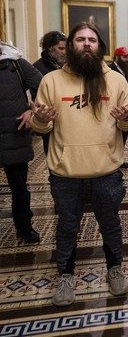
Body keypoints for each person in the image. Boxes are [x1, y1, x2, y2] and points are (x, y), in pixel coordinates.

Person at [30, 21, 128, 307]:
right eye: (80, 39)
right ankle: (65, 275)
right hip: (66, 173)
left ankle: (114, 269)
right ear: (71, 45)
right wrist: (41, 119)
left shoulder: (116, 80)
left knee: (111, 224)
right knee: (67, 226)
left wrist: (126, 117)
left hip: (107, 171)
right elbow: (39, 126)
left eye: (92, 39)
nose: (86, 44)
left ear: (99, 46)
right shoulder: (51, 81)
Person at [0, 41, 43, 244]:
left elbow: (45, 88)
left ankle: (24, 227)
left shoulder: (15, 63)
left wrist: (31, 110)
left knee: (19, 189)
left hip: (13, 134)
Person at [34, 31, 67, 154]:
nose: (65, 52)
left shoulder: (68, 66)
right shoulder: (37, 68)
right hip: (48, 119)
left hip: (67, 118)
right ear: (50, 48)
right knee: (53, 153)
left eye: (66, 48)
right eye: (61, 48)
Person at [109, 46, 128, 168]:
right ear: (117, 57)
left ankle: (119, 158)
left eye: (127, 57)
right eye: (124, 57)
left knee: (124, 134)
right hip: (113, 109)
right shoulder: (110, 70)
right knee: (113, 135)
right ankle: (111, 159)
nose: (126, 59)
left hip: (127, 109)